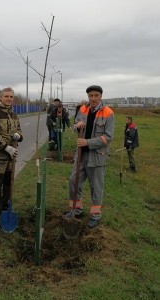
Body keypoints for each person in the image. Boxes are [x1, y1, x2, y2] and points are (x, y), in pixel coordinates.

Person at [65, 85, 114, 228]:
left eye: (96, 95)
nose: (93, 98)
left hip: (97, 157)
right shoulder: (83, 109)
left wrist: (87, 142)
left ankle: (95, 215)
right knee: (73, 180)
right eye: (90, 95)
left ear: (100, 96)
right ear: (88, 96)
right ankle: (77, 209)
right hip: (80, 155)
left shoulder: (108, 113)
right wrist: (77, 125)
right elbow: (75, 125)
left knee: (96, 187)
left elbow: (108, 137)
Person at [0, 87, 23, 233]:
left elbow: (19, 131)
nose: (9, 99)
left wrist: (18, 137)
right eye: (6, 96)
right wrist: (5, 147)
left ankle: (4, 210)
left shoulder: (14, 114)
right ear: (0, 97)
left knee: (8, 185)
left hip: (11, 159)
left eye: (11, 97)